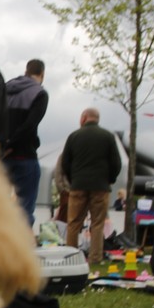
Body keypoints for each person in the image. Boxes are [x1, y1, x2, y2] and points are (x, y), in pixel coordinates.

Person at [60, 108, 122, 268]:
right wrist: (109, 180)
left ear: (83, 118)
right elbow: (116, 163)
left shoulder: (74, 136)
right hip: (100, 186)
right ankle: (95, 258)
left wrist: (73, 180)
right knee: (97, 223)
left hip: (78, 185)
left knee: (74, 223)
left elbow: (65, 163)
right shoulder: (108, 136)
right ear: (97, 119)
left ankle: (71, 256)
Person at [3, 59, 48, 225]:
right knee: (25, 210)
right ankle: (19, 240)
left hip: (1, 157)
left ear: (26, 71)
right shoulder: (39, 94)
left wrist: (3, 146)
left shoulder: (5, 89)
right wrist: (12, 145)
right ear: (42, 74)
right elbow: (30, 125)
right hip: (25, 156)